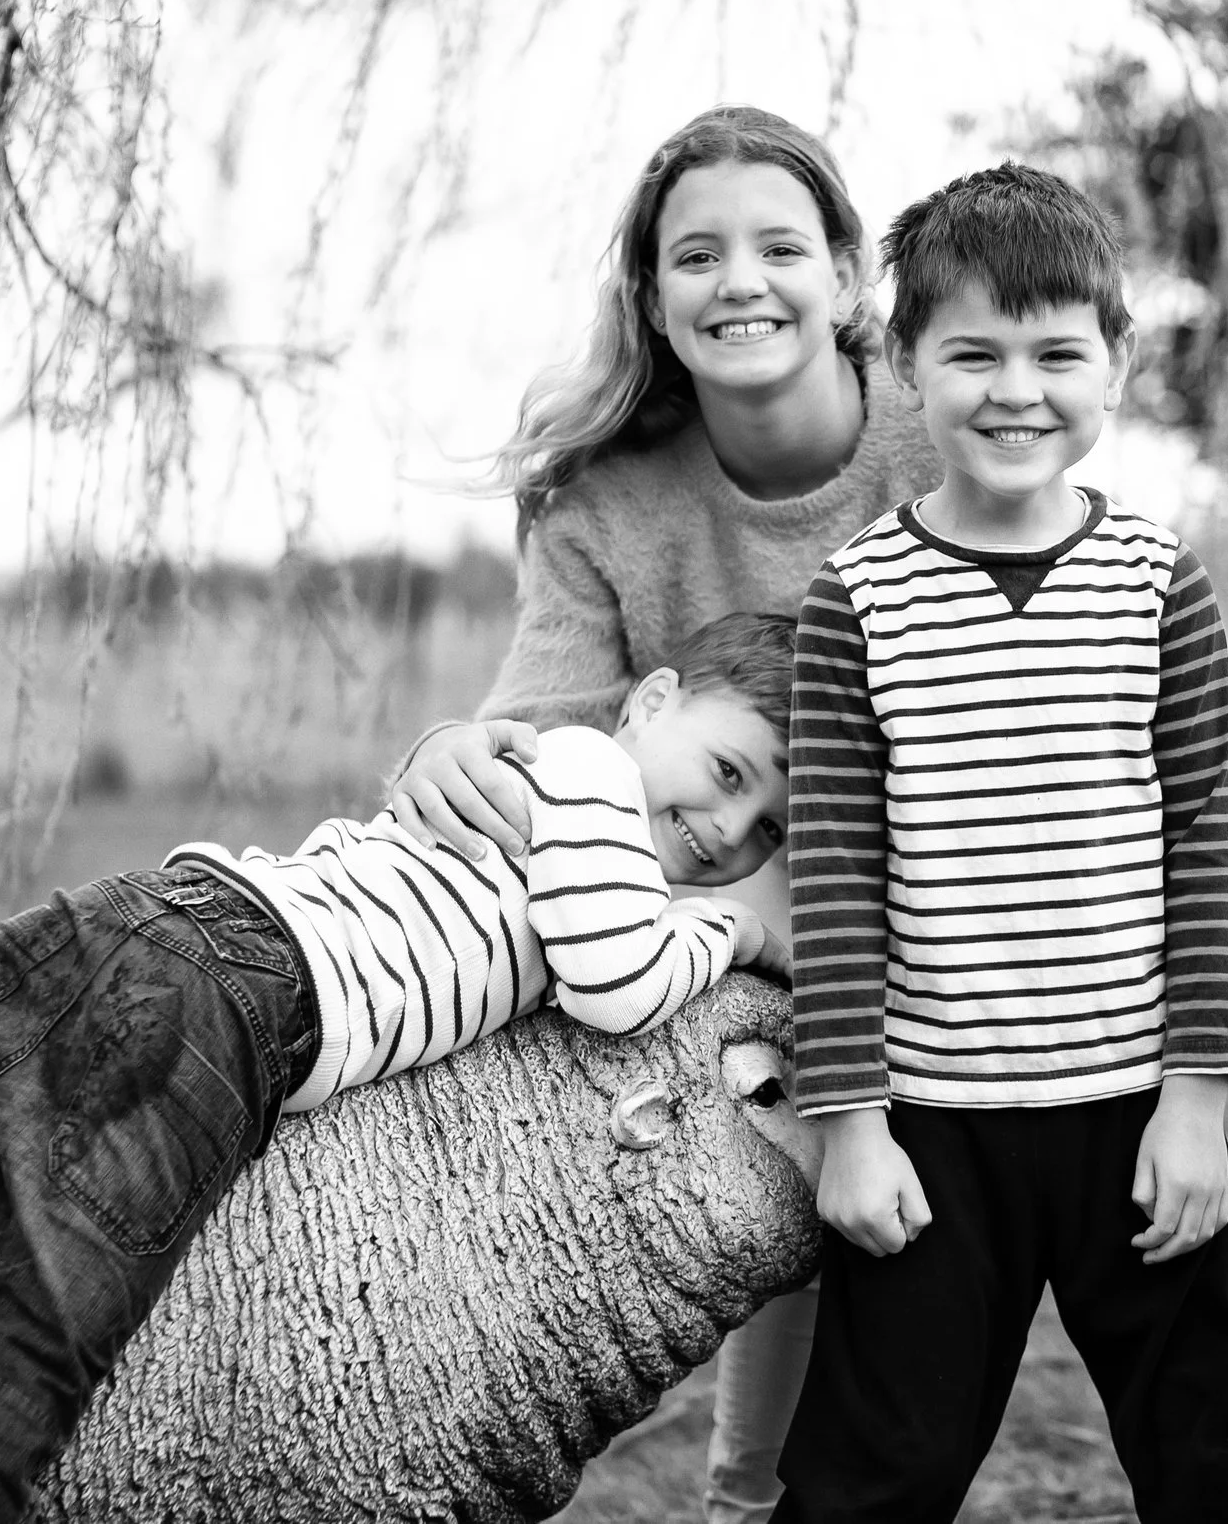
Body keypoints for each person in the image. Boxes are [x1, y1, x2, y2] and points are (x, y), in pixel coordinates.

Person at [0, 612, 800, 1524]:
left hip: (145, 909)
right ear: (651, 700)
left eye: (764, 833)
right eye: (729, 771)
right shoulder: (596, 785)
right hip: (227, 1008)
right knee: (19, 1351)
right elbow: (615, 982)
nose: (724, 830)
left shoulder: (548, 777)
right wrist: (737, 930)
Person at [386, 104, 939, 1523]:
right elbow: (547, 732)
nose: (740, 281)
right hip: (718, 911)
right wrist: (454, 752)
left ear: (845, 272)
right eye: (698, 255)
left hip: (936, 885)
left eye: (779, 247)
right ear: (650, 293)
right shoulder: (608, 498)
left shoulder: (935, 436)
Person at [773, 163, 1228, 1524]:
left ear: (1117, 363)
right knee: (876, 1466)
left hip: (1134, 1111)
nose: (1014, 390)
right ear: (906, 365)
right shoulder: (856, 600)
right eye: (972, 353)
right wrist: (850, 1125)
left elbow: (1206, 846)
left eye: (1055, 353)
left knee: (1216, 1451)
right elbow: (835, 876)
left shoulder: (1156, 581)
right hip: (930, 1125)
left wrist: (1196, 1102)